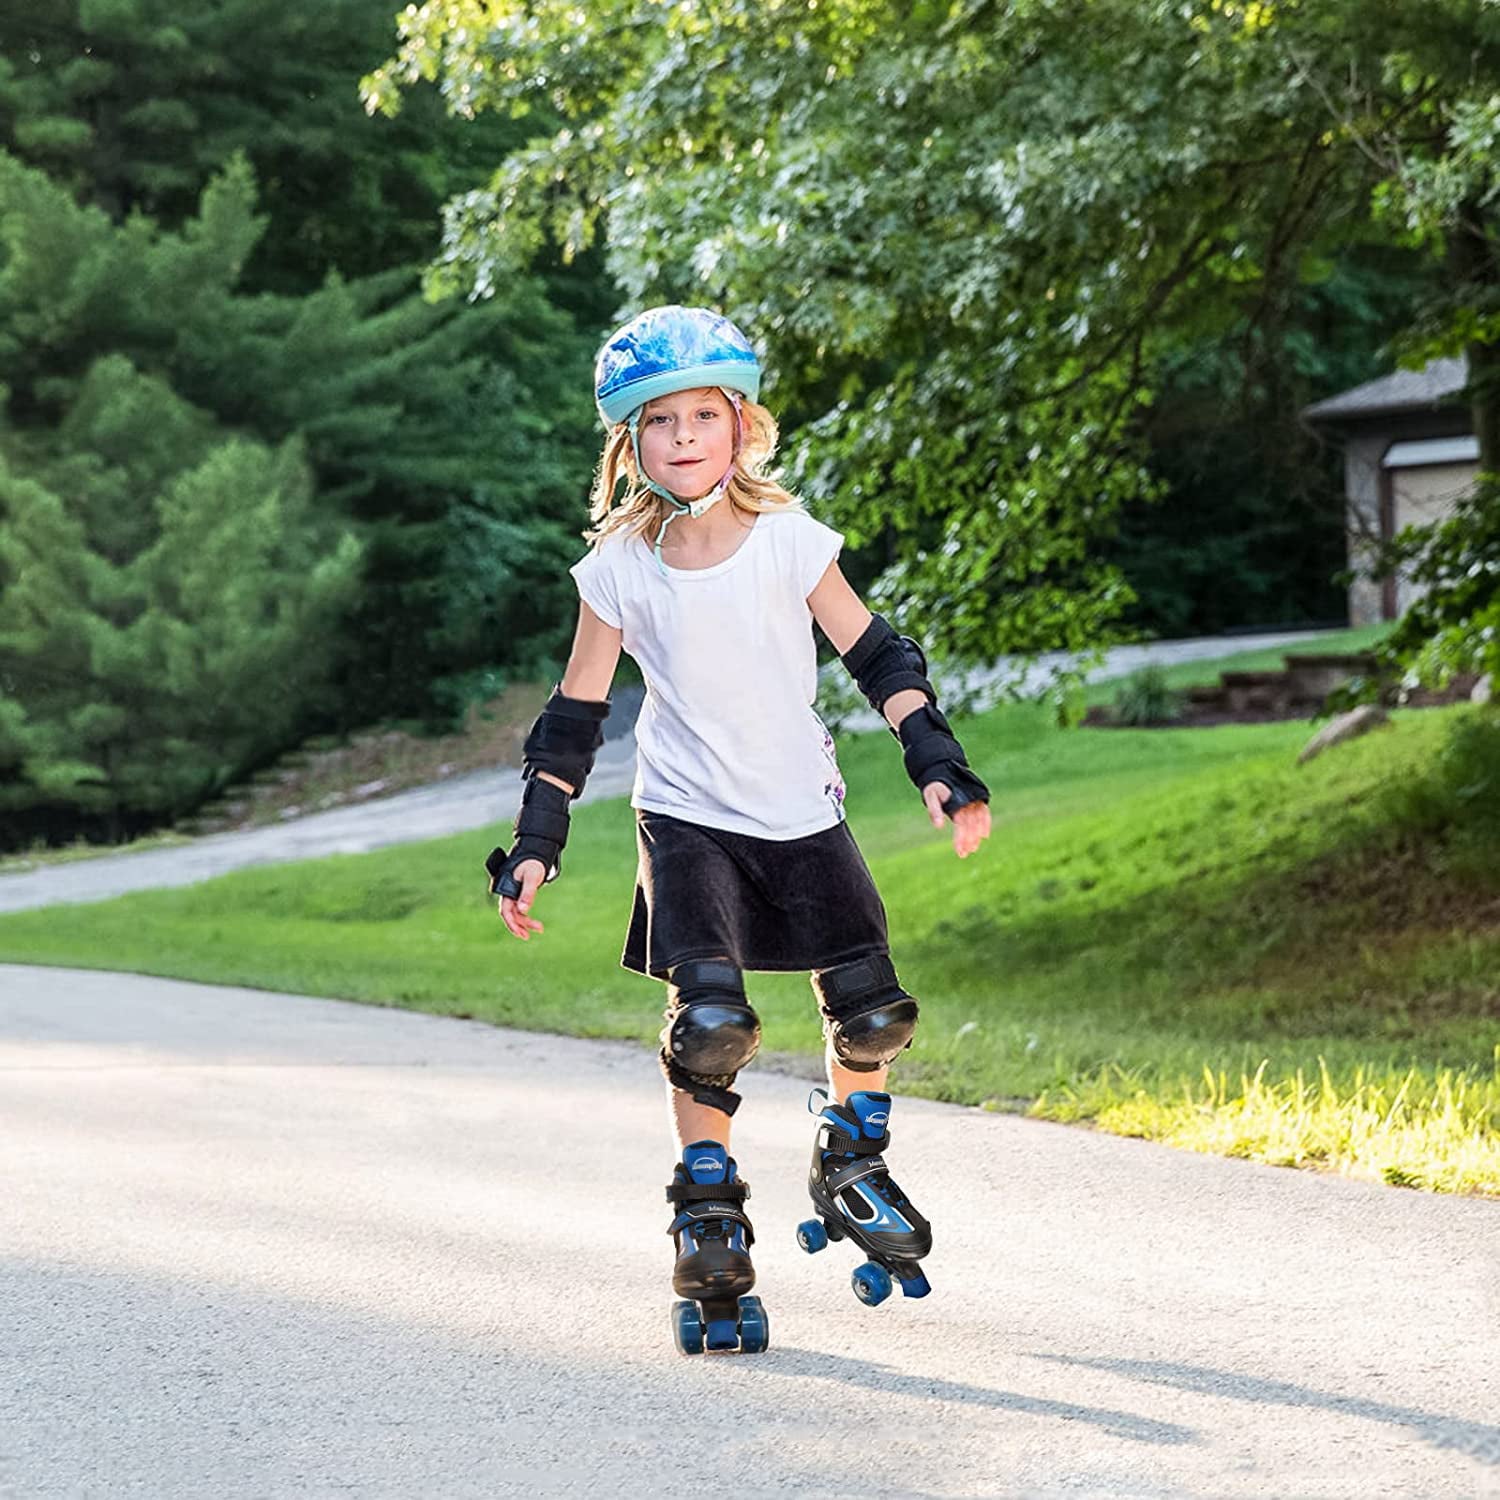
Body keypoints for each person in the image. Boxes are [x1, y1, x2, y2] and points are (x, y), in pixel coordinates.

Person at [485, 305, 991, 1354]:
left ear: (740, 425)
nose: (682, 436)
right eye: (659, 421)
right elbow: (575, 716)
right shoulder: (618, 568)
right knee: (710, 1021)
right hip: (685, 820)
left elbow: (880, 657)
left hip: (800, 812)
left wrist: (936, 764)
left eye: (701, 416)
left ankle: (853, 1158)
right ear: (631, 444)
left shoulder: (790, 542)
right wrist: (538, 841)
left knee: (874, 1016)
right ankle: (706, 1211)